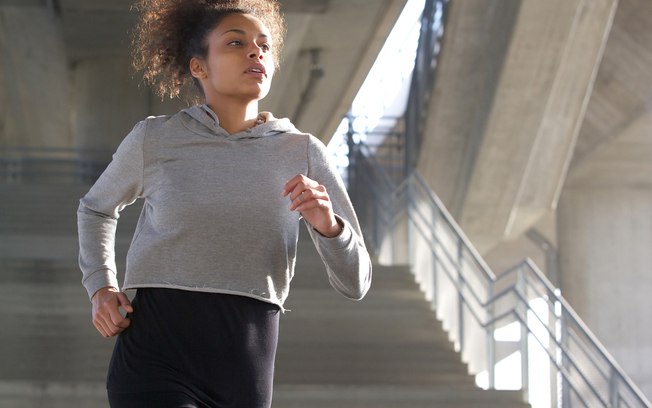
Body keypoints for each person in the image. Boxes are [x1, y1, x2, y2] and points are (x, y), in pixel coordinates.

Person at [76, 0, 372, 407]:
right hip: (155, 351)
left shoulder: (304, 152)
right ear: (199, 66)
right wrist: (101, 287)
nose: (256, 52)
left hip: (246, 362)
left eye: (264, 46)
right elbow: (96, 208)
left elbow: (356, 282)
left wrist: (329, 227)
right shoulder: (155, 138)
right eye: (236, 43)